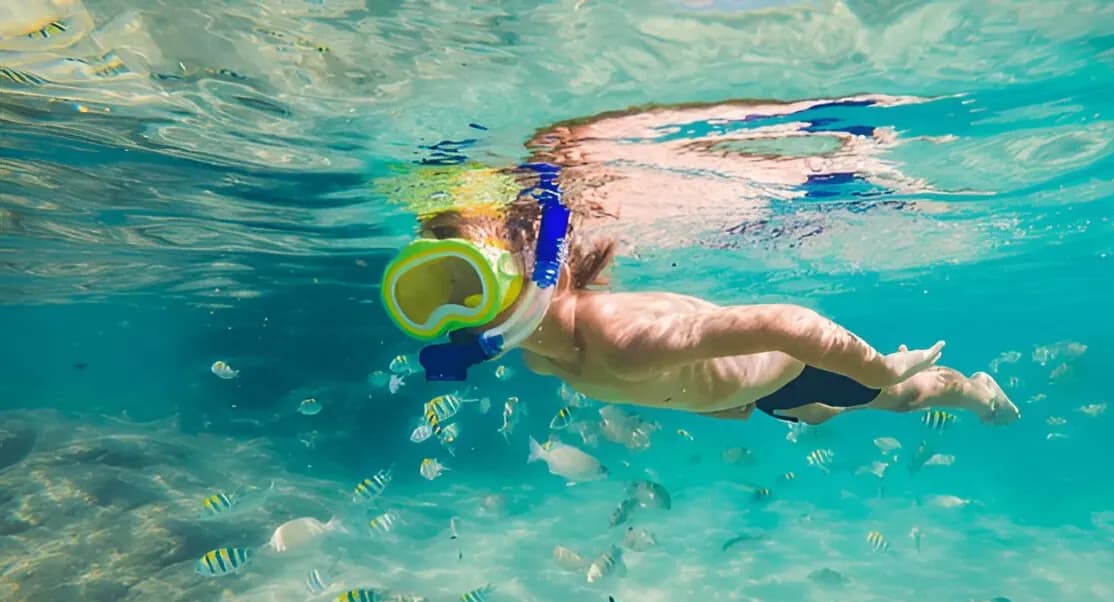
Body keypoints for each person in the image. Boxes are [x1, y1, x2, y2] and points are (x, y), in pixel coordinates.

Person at [378, 97, 1019, 427]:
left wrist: (878, 367)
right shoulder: (541, 353)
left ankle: (975, 395)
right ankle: (874, 392)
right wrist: (715, 405)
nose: (451, 318)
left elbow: (790, 325)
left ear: (538, 268)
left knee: (899, 398)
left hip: (791, 366)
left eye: (466, 285)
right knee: (821, 415)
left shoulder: (620, 337)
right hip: (750, 393)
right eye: (427, 295)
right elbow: (667, 385)